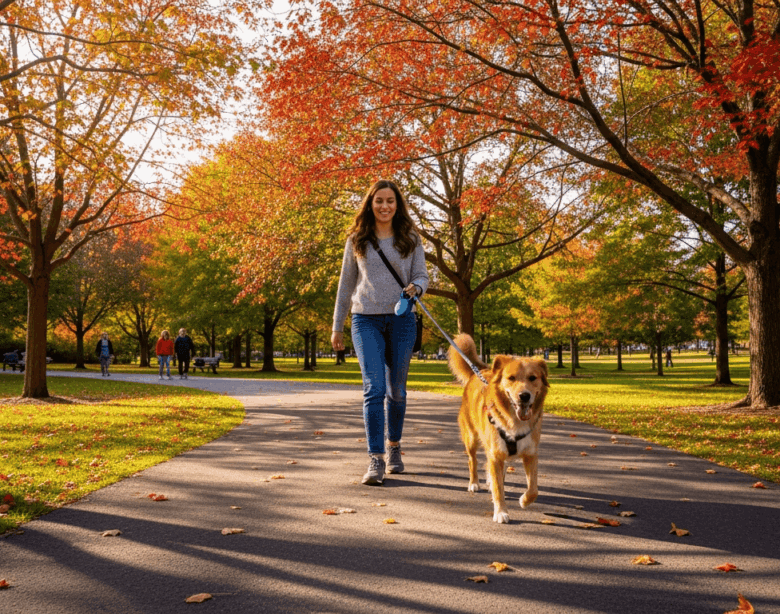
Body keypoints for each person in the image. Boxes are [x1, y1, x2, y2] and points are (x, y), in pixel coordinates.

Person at [331, 180, 429, 486]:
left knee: (396, 391)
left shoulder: (410, 238)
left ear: (397, 205)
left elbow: (422, 275)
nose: (384, 206)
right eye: (379, 201)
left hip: (402, 320)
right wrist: (337, 326)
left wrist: (417, 288)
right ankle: (376, 458)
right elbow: (346, 285)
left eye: (390, 201)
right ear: (370, 204)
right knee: (373, 388)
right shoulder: (357, 239)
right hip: (365, 319)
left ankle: (394, 445)